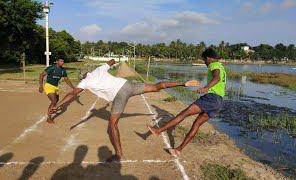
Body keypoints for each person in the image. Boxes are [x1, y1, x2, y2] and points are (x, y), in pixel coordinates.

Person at [50, 59, 200, 162]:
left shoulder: (84, 82)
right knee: (155, 87)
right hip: (127, 85)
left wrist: (58, 105)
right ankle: (183, 83)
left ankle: (119, 155)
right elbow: (111, 62)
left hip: (119, 94)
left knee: (112, 125)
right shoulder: (98, 70)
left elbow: (72, 94)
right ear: (87, 71)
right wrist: (116, 61)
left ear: (81, 77)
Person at [147, 48, 226, 156]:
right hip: (219, 102)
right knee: (196, 124)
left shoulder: (214, 65)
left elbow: (216, 78)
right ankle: (178, 149)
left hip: (211, 98)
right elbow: (218, 79)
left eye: (204, 60)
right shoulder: (221, 66)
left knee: (183, 114)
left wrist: (205, 88)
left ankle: (158, 130)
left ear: (208, 58)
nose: (205, 63)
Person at [39, 58, 74, 123]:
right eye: (61, 61)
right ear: (57, 62)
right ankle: (49, 118)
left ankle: (52, 109)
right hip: (49, 86)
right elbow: (41, 75)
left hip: (55, 87)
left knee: (56, 101)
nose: (62, 62)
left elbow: (67, 80)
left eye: (63, 61)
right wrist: (41, 86)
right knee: (54, 101)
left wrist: (73, 87)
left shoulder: (63, 70)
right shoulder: (51, 68)